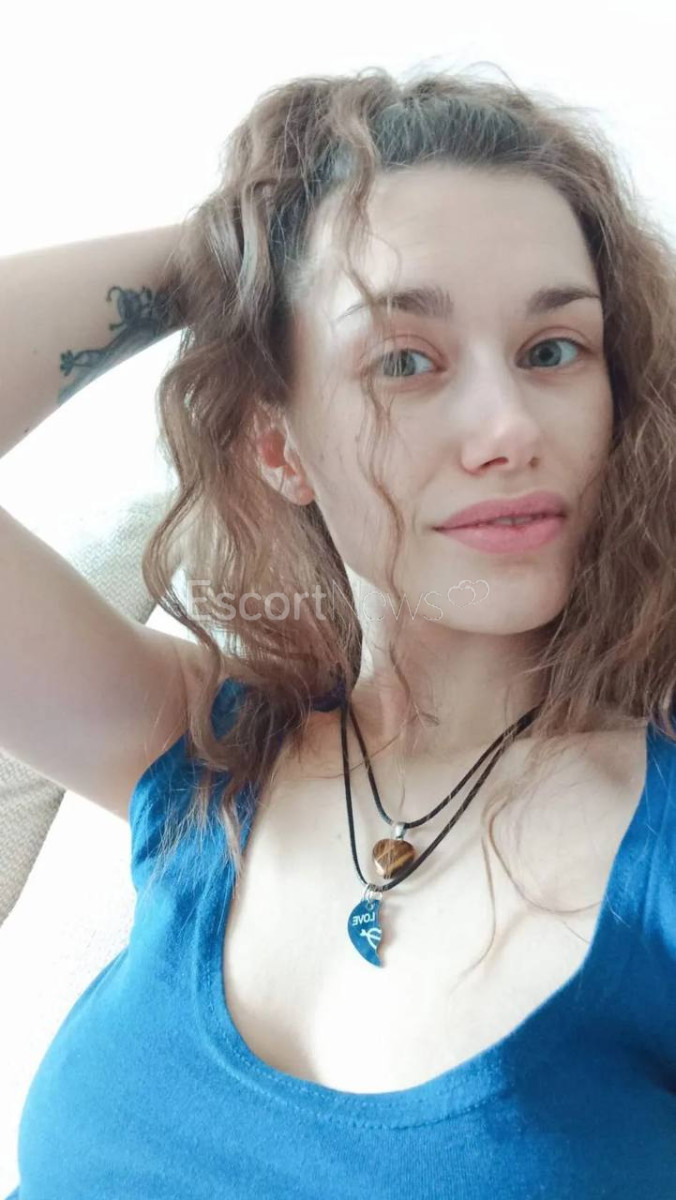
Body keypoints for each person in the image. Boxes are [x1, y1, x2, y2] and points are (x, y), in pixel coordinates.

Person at [2, 64, 676, 1199]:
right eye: (404, 360)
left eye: (553, 349)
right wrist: (234, 254)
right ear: (280, 447)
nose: (508, 427)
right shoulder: (203, 752)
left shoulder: (652, 856)